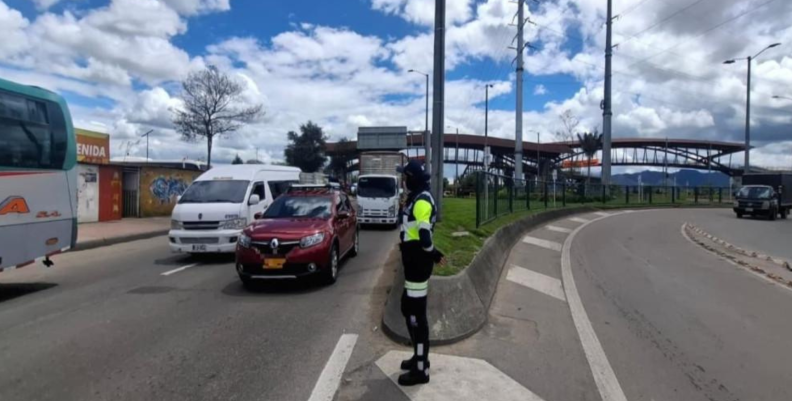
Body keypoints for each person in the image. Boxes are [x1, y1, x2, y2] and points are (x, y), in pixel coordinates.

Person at [395, 160, 444, 386]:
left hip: (418, 265)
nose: (403, 181)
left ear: (412, 178)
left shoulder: (422, 200)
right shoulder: (416, 197)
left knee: (416, 317)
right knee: (408, 309)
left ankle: (421, 370)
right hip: (412, 264)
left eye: (405, 177)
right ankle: (419, 355)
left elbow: (424, 239)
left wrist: (434, 254)